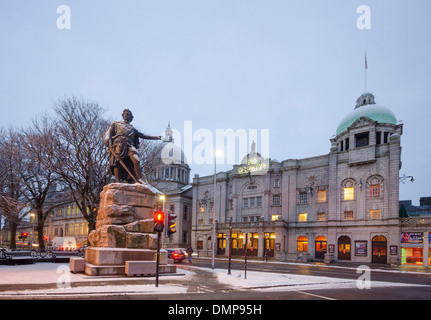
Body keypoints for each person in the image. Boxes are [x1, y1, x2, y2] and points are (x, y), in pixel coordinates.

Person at [104, 109, 161, 183]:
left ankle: (139, 178)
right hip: (119, 143)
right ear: (122, 115)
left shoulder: (132, 129)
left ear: (131, 117)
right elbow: (109, 131)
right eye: (125, 113)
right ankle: (118, 181)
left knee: (136, 160)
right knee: (117, 161)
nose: (126, 115)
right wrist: (107, 138)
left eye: (128, 114)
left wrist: (156, 137)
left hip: (129, 145)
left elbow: (143, 135)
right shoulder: (116, 124)